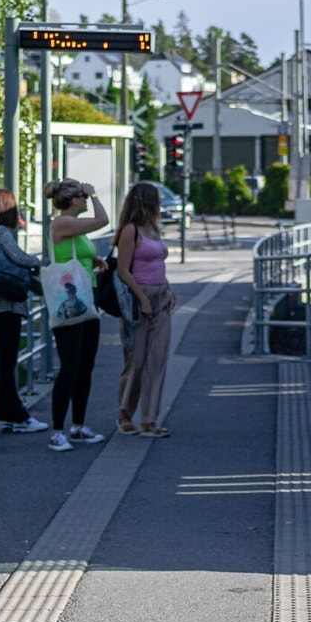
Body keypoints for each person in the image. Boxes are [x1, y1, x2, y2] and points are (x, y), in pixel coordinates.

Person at [45, 178, 110, 452]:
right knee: (69, 366)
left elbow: (75, 252)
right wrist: (94, 194)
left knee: (85, 365)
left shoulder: (74, 228)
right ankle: (57, 430)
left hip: (87, 300)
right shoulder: (62, 223)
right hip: (68, 303)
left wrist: (94, 261)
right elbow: (103, 220)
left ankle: (78, 425)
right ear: (74, 201)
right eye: (83, 197)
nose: (85, 201)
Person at [0, 187, 48, 434]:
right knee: (8, 363)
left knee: (4, 363)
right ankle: (16, 416)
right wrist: (40, 263)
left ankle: (5, 413)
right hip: (8, 303)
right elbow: (18, 257)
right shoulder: (2, 232)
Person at [114, 181, 176, 438]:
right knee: (136, 361)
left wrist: (169, 290)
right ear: (147, 202)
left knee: (157, 360)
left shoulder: (154, 229)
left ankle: (150, 419)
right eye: (157, 200)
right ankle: (125, 412)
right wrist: (142, 298)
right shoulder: (131, 231)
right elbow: (123, 270)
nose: (161, 205)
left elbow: (159, 264)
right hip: (139, 299)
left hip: (161, 296)